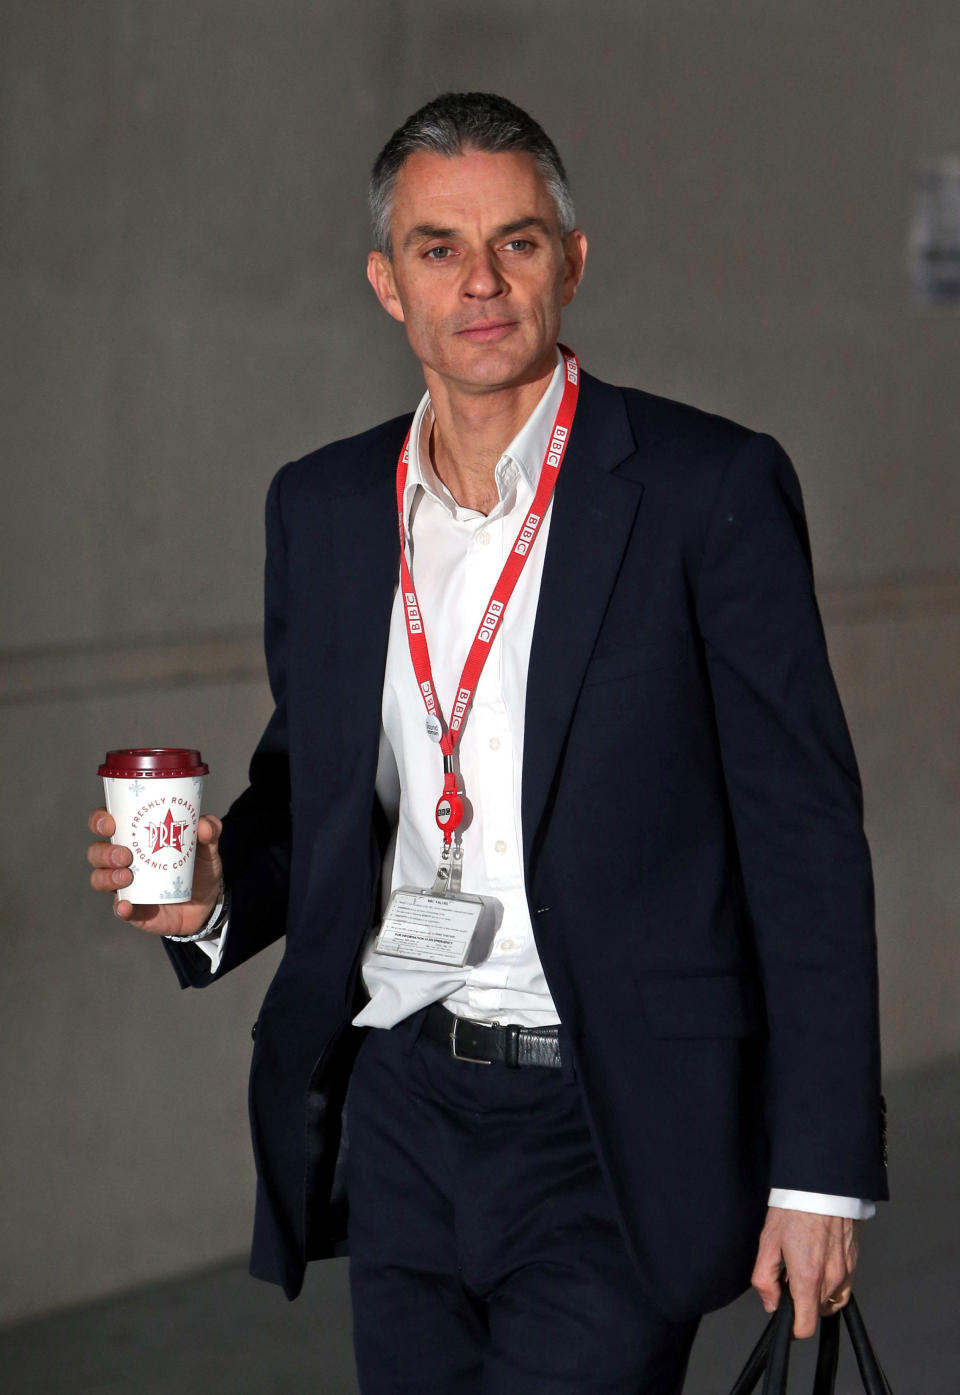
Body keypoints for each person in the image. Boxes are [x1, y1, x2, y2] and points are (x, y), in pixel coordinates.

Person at [87, 92, 887, 1394]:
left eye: (516, 242)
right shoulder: (328, 506)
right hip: (401, 1107)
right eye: (437, 247)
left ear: (571, 262)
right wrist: (219, 898)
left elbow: (802, 840)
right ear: (385, 283)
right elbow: (319, 792)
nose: (480, 281)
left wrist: (822, 1170)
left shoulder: (705, 490)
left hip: (615, 1117)